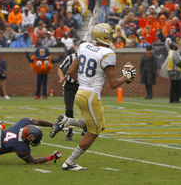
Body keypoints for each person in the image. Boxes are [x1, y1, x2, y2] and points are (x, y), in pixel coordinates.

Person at [50, 23, 136, 170]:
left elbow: (70, 71)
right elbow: (113, 84)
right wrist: (125, 76)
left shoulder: (84, 47)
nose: (112, 37)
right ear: (103, 37)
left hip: (80, 93)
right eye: (109, 35)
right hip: (91, 96)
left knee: (99, 125)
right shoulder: (107, 54)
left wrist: (82, 82)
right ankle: (70, 162)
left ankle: (67, 121)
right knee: (94, 131)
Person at [58, 48, 79, 140]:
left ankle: (87, 128)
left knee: (86, 108)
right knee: (69, 109)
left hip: (82, 86)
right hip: (69, 86)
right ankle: (69, 131)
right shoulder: (71, 57)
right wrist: (62, 77)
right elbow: (60, 68)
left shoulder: (91, 58)